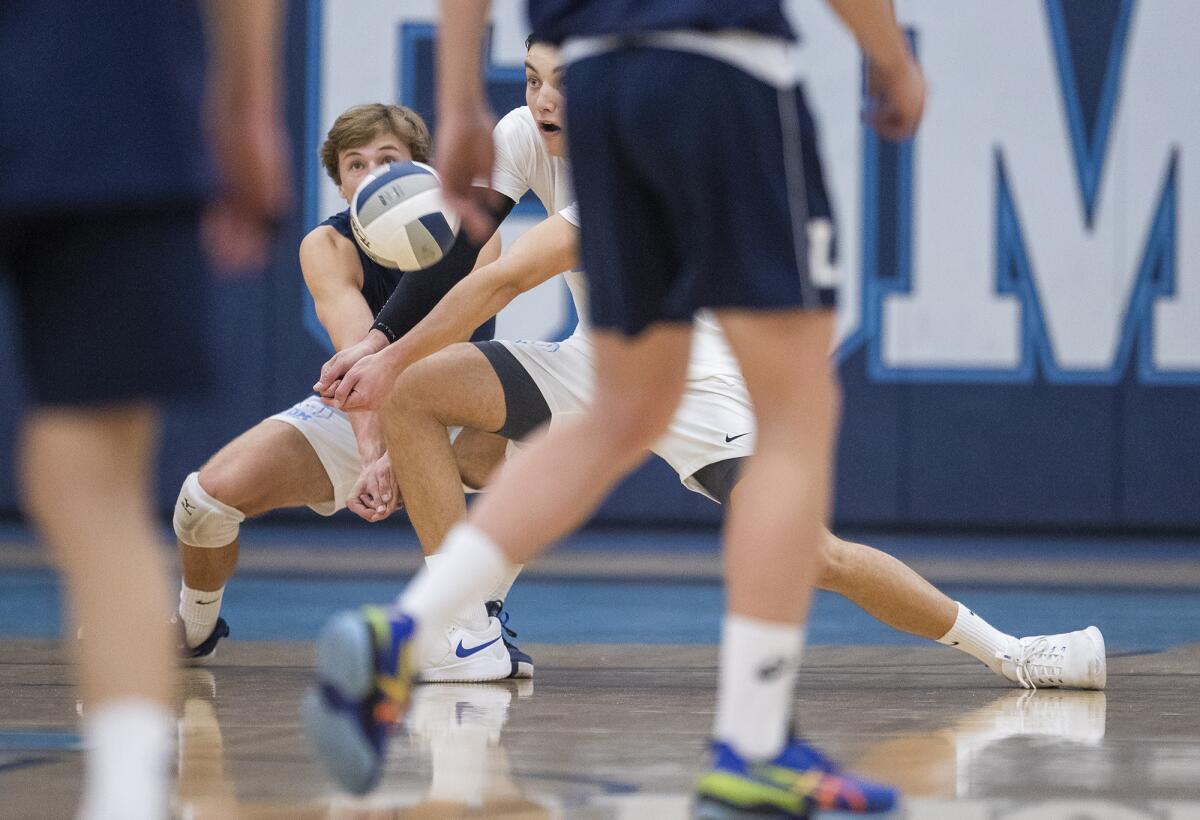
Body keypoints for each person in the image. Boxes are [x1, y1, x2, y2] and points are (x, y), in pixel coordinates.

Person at [315, 39, 1106, 695]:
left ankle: (1011, 652)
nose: (545, 99)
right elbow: (459, 246)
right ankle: (465, 636)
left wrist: (384, 353)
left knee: (813, 554)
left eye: (566, 82)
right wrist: (386, 346)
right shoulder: (526, 134)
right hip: (598, 360)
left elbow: (504, 277)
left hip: (701, 376)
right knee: (422, 394)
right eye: (532, 79)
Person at [0, 2, 288, 818]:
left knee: (82, 476)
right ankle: (126, 798)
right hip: (114, 103)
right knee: (96, 482)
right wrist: (248, 110)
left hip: (112, 107)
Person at [170, 102, 529, 681]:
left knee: (551, 430)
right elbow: (359, 355)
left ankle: (476, 619)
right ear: (340, 185)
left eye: (389, 160)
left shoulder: (475, 233)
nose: (373, 175)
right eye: (355, 165)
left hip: (462, 407)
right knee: (202, 504)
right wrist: (374, 455)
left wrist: (401, 451)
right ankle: (193, 628)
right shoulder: (327, 245)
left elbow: (439, 348)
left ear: (423, 170)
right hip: (367, 409)